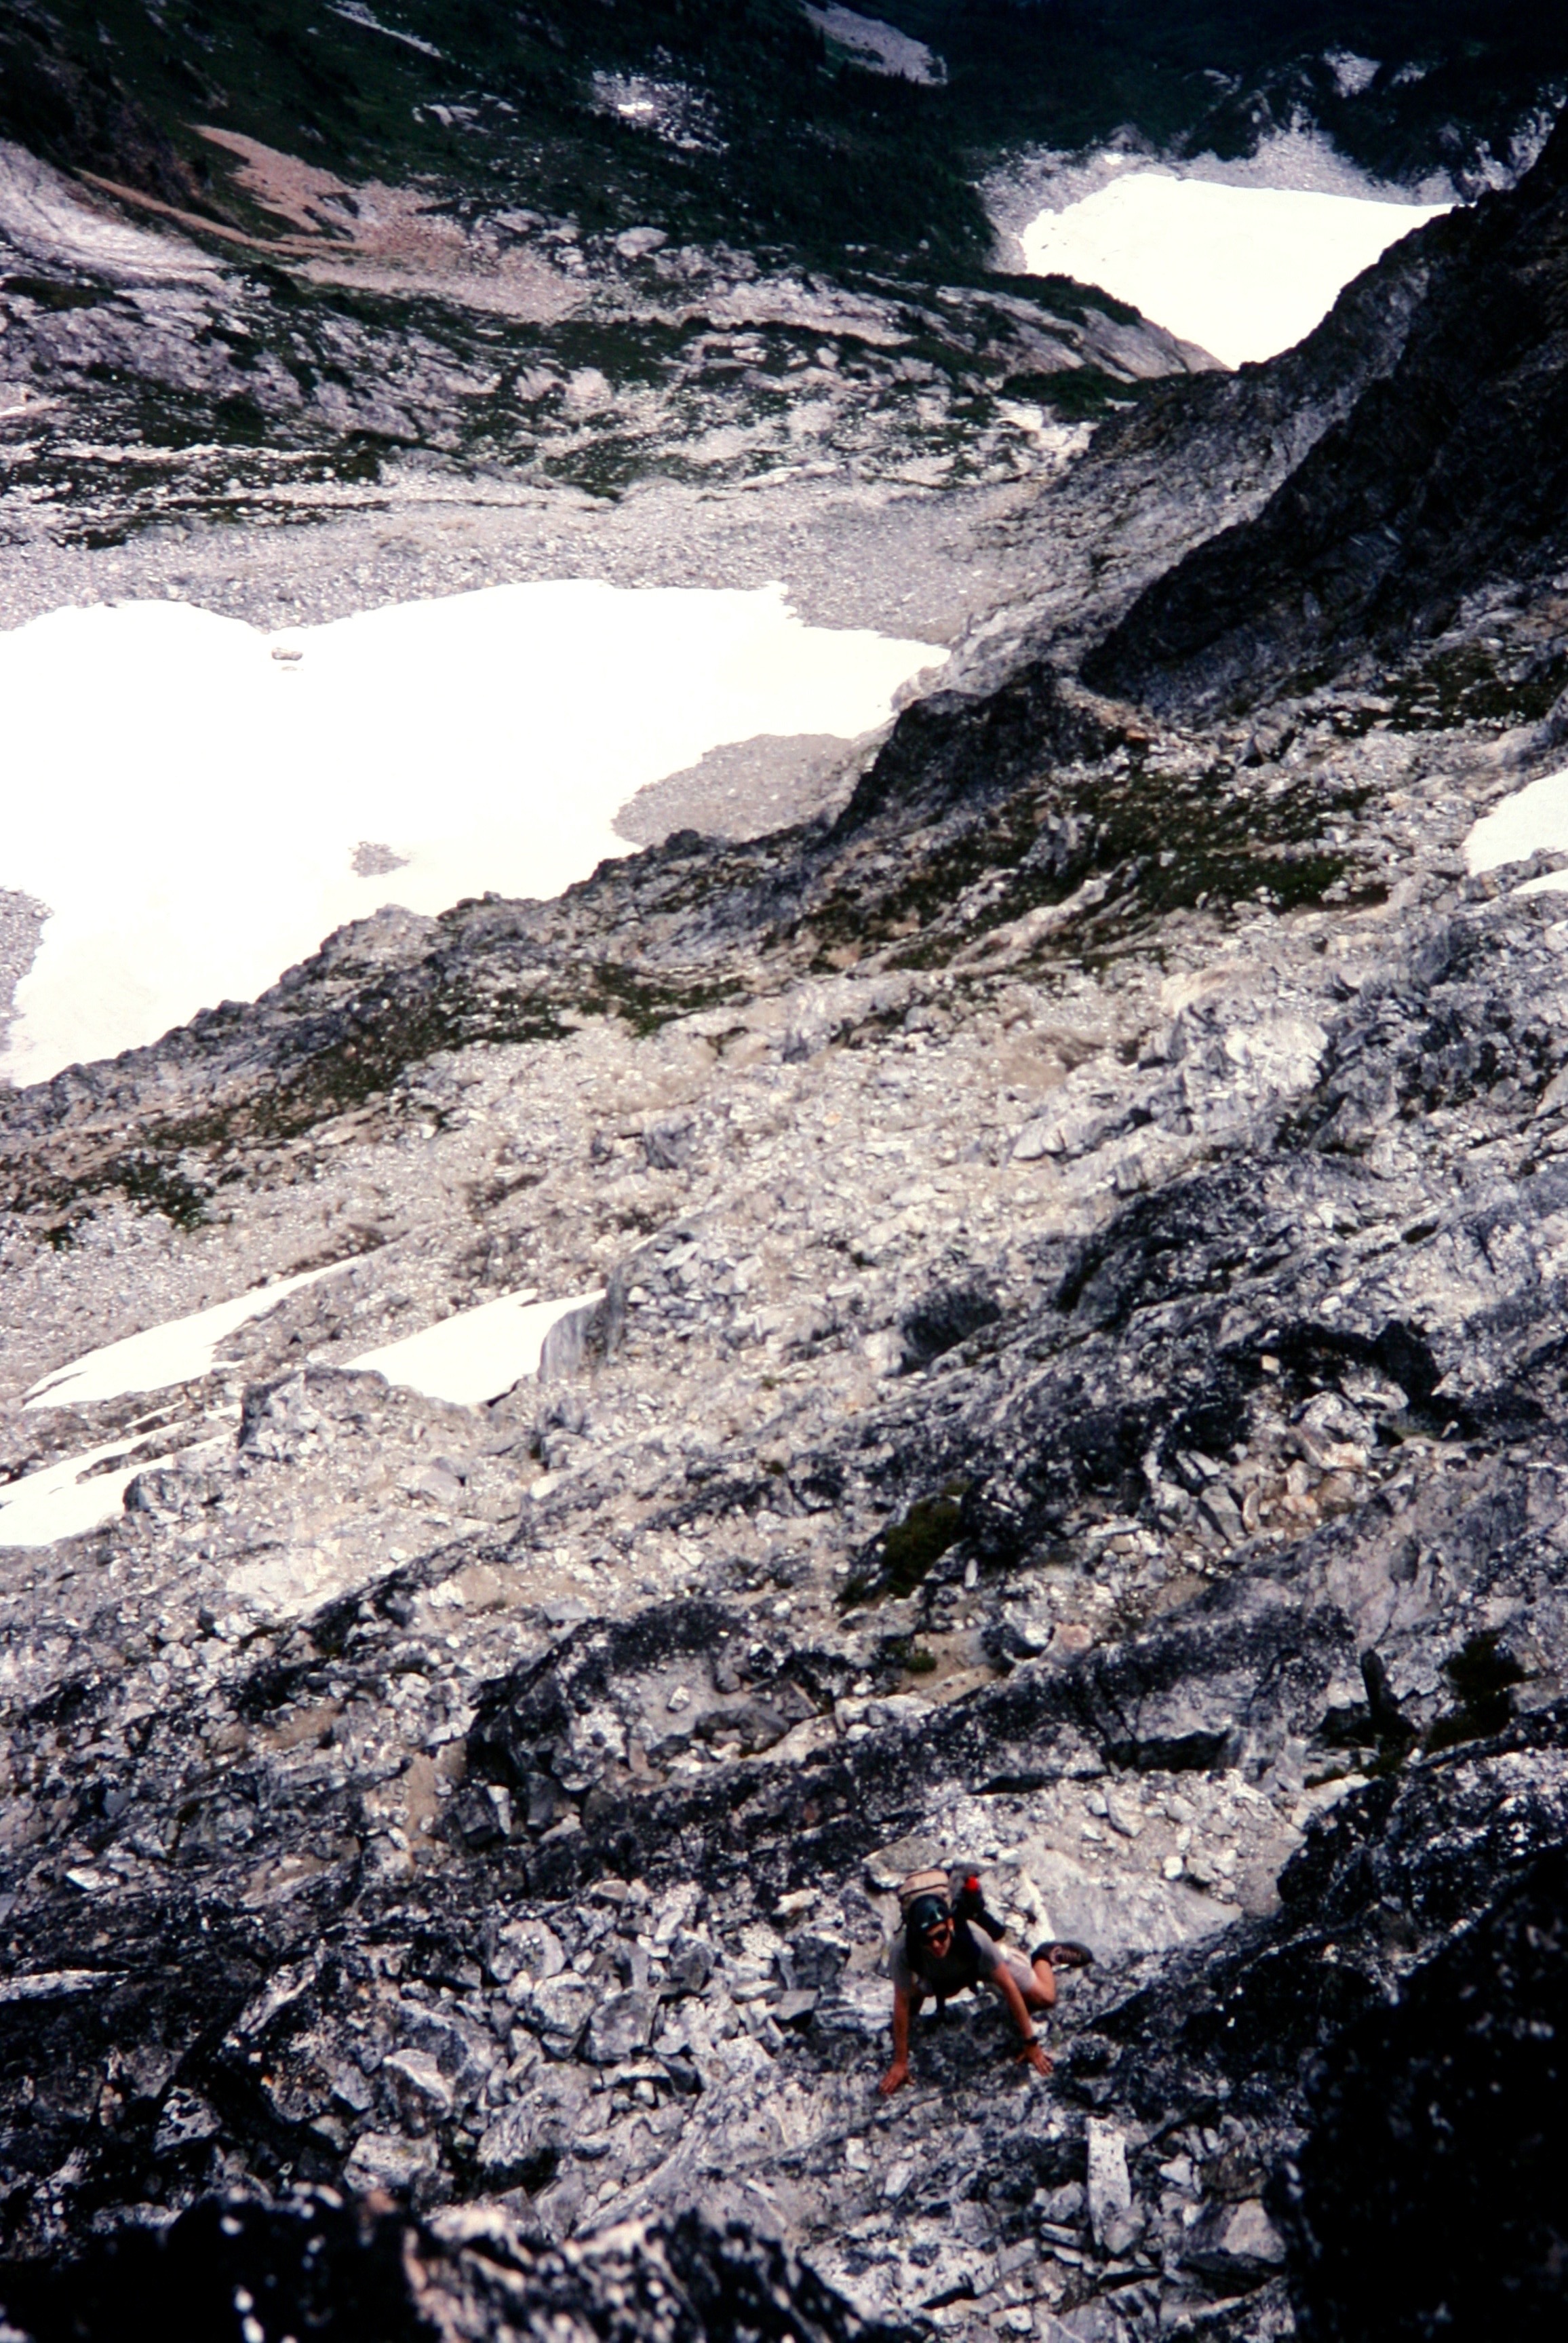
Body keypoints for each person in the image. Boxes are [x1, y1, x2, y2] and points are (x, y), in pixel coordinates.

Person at [878, 1867, 1091, 2095]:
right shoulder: (903, 1950)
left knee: (1045, 1997)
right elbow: (901, 2001)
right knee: (909, 2013)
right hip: (934, 1978)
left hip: (981, 1966)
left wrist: (1032, 2044)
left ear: (950, 1926)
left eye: (940, 1936)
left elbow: (1008, 1986)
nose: (936, 1945)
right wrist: (900, 2062)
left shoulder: (976, 1937)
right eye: (927, 1941)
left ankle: (1045, 1956)